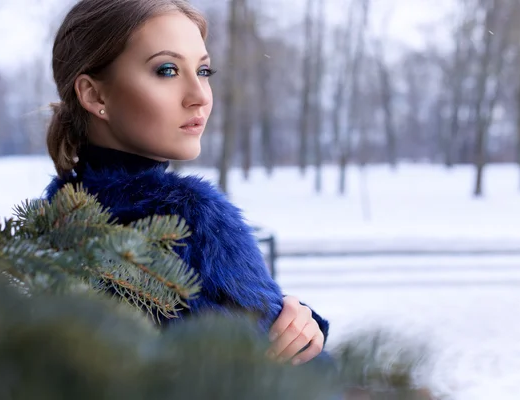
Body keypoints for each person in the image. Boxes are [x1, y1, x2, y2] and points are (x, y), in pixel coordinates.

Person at [43, 0, 331, 367]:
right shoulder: (191, 219)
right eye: (167, 70)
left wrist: (300, 324)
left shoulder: (58, 217)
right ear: (95, 95)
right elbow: (295, 376)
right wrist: (310, 342)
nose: (199, 96)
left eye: (204, 70)